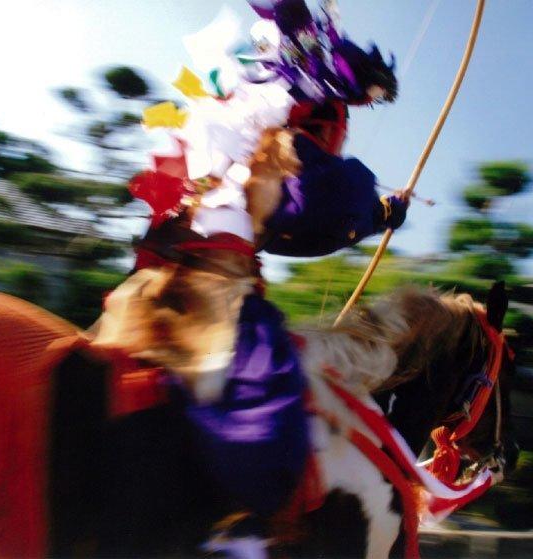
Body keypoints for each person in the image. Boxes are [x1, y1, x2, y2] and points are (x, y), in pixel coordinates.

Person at [89, 0, 409, 519]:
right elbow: (315, 217)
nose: (365, 107)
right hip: (209, 281)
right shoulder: (284, 139)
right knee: (268, 426)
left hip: (151, 276)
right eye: (367, 97)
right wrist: (377, 214)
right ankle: (235, 534)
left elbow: (294, 225)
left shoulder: (227, 134)